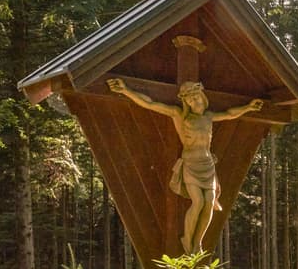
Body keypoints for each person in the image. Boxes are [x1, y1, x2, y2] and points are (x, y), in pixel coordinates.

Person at [107, 78, 269, 252]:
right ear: (185, 102)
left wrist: (248, 108)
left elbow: (230, 113)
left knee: (209, 203)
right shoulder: (180, 115)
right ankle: (187, 238)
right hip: (191, 163)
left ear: (203, 97)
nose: (194, 102)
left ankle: (197, 242)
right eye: (190, 100)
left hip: (207, 165)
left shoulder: (208, 116)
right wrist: (125, 91)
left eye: (196, 97)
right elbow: (150, 103)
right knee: (198, 202)